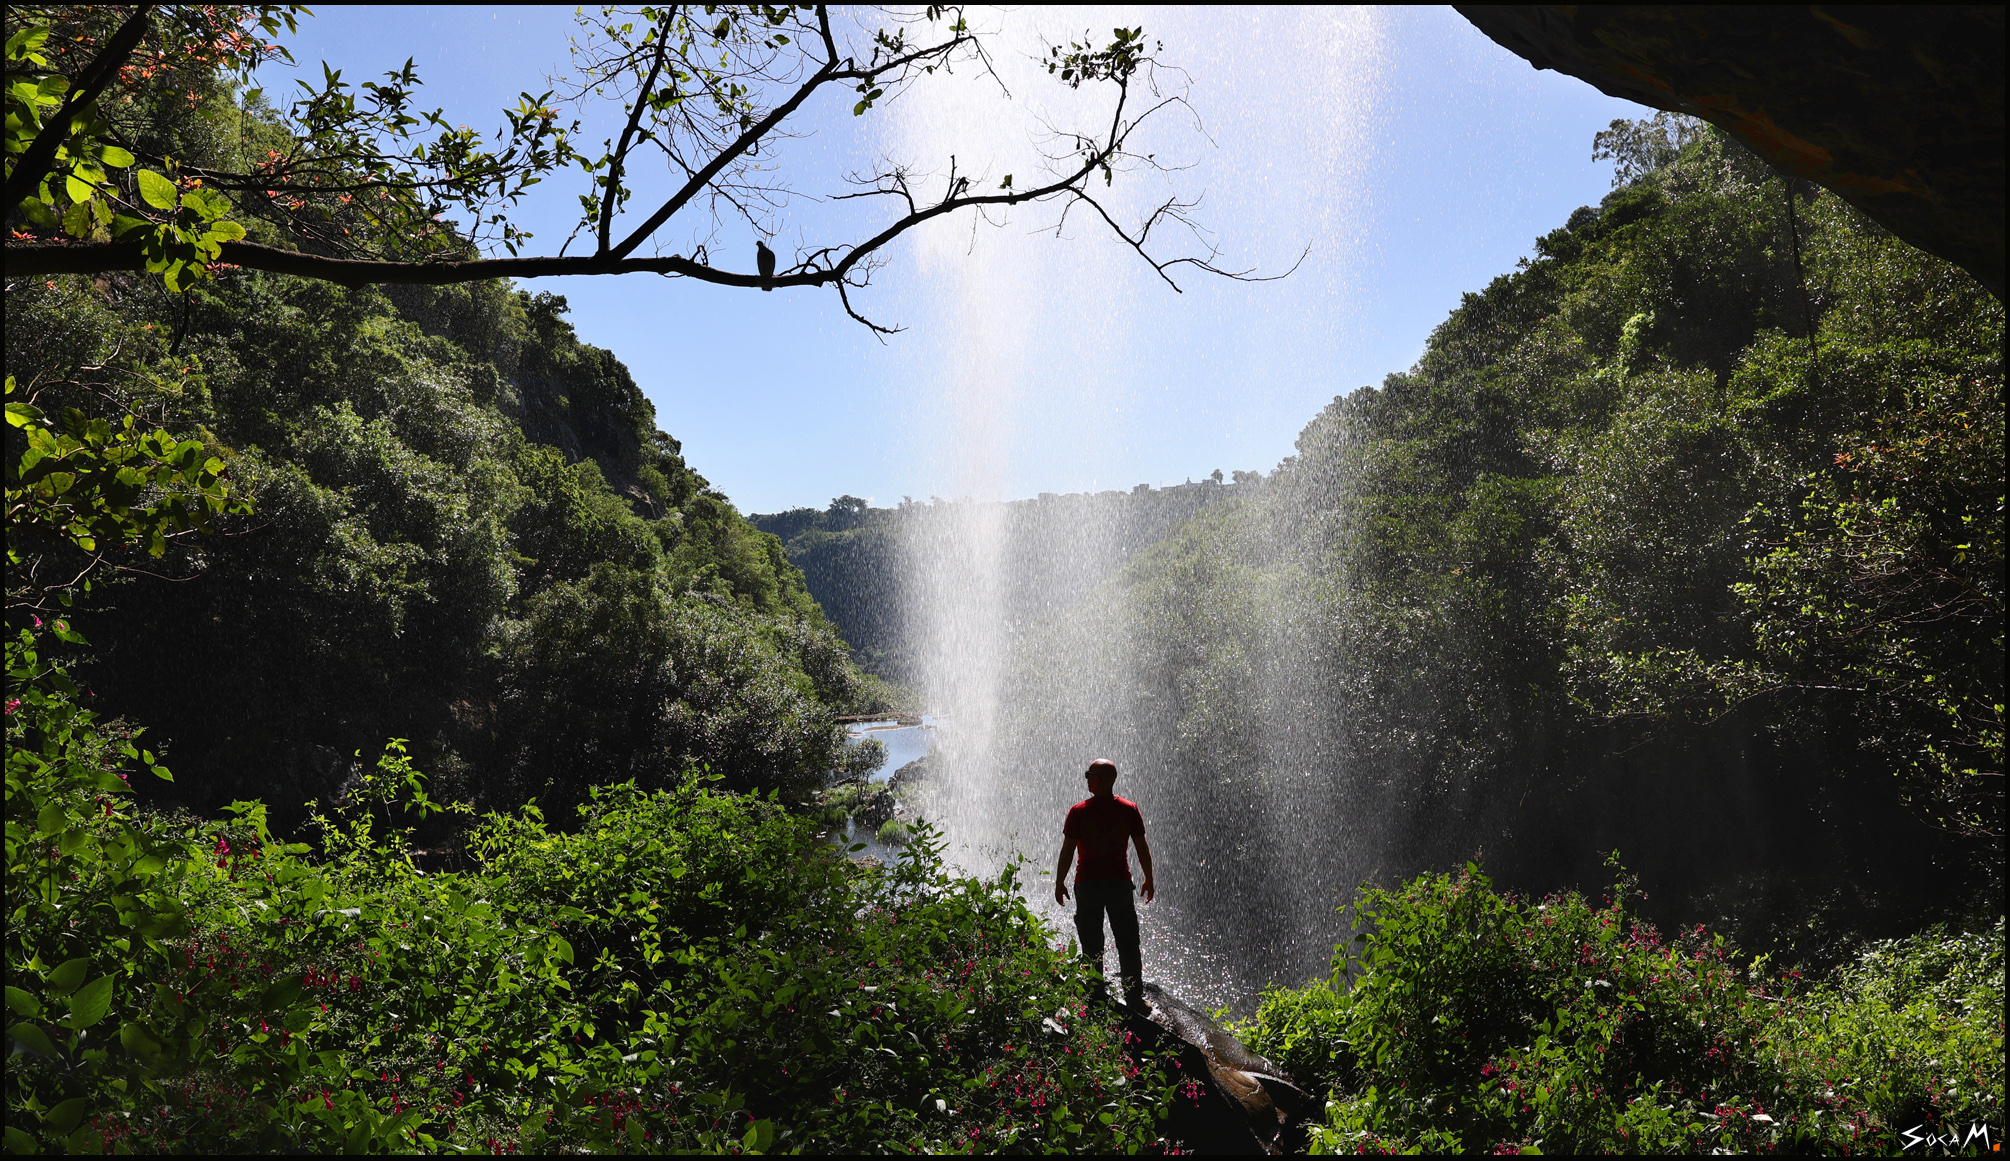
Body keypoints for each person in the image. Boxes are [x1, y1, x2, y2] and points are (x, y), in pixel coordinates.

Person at [1054, 758, 1155, 1010]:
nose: (1086, 779)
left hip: (1088, 885)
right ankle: (1134, 998)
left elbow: (1067, 851)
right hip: (1119, 884)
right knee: (1128, 942)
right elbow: (1141, 847)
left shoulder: (1078, 811)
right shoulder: (1128, 809)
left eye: (1088, 775)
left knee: (1091, 944)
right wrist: (1149, 878)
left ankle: (1095, 997)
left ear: (1098, 780)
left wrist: (1060, 881)